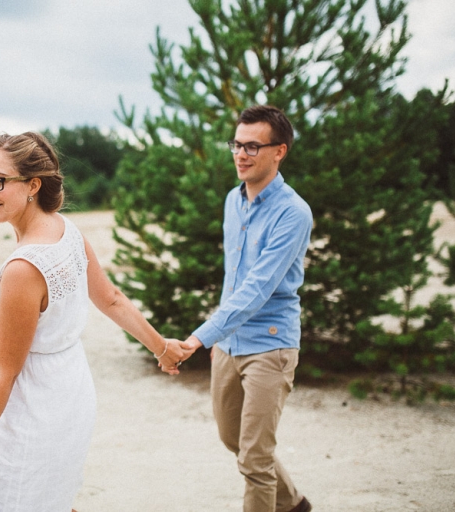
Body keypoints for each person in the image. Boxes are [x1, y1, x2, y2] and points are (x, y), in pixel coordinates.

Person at [0, 131, 184, 512]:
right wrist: (162, 347)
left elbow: (4, 373)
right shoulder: (65, 230)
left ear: (33, 185)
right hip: (72, 394)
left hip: (35, 413)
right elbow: (112, 298)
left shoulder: (23, 268)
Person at [175, 106, 314, 512]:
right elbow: (232, 278)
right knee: (231, 438)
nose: (241, 154)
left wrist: (201, 337)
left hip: (271, 346)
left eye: (253, 146)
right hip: (230, 345)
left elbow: (257, 289)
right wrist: (221, 339)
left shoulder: (293, 212)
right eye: (237, 144)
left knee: (254, 457)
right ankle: (294, 504)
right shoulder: (232, 202)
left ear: (279, 151)